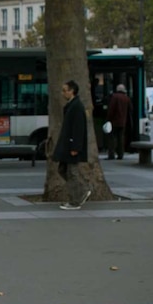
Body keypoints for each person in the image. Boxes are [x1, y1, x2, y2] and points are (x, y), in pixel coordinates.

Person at [53, 79, 91, 210]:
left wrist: (75, 147)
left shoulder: (76, 107)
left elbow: (78, 128)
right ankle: (82, 191)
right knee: (63, 170)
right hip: (68, 144)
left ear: (72, 91)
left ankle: (77, 199)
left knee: (72, 172)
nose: (63, 93)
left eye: (65, 90)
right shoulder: (72, 106)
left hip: (71, 146)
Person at [106, 84, 131, 160]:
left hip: (114, 121)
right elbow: (131, 109)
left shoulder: (114, 97)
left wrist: (108, 119)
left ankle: (111, 154)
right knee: (121, 138)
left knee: (112, 138)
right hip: (123, 122)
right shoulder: (126, 98)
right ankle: (120, 154)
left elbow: (111, 109)